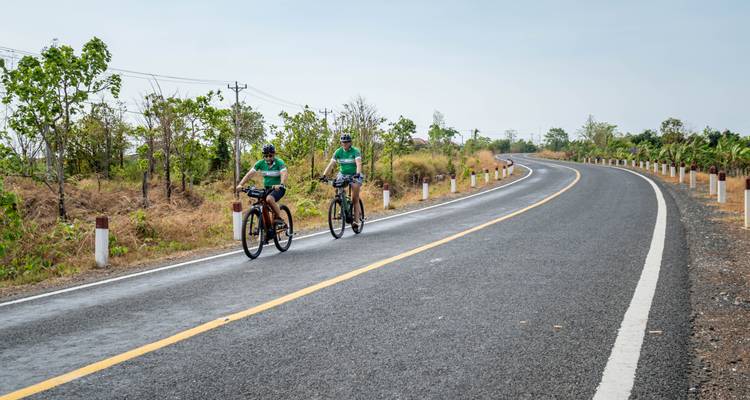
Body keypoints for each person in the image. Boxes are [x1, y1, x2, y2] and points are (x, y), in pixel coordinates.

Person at [236, 143, 287, 226]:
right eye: (266, 156)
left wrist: (281, 184)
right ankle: (265, 227)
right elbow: (250, 174)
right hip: (267, 188)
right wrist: (240, 184)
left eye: (270, 156)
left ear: (274, 155)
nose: (268, 158)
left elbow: (284, 173)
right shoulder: (260, 163)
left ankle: (278, 219)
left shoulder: (279, 162)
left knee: (269, 199)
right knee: (261, 202)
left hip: (279, 188)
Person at [321, 133, 363, 228]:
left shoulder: (355, 151)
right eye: (343, 142)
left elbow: (358, 163)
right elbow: (331, 164)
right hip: (343, 174)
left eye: (347, 142)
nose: (345, 143)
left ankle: (356, 221)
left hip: (354, 174)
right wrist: (324, 175)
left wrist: (357, 173)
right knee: (337, 188)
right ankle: (343, 206)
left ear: (350, 142)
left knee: (354, 198)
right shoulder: (338, 152)